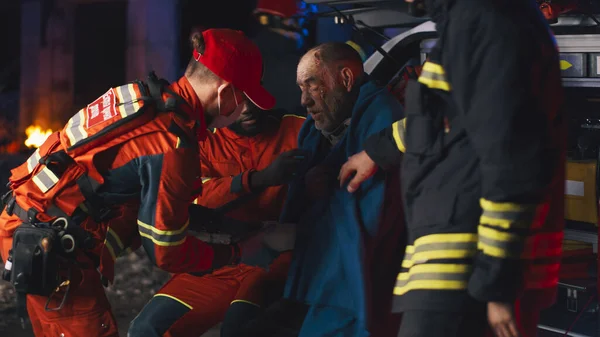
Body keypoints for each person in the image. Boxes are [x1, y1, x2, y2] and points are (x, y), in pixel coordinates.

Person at [0, 28, 281, 337]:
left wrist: (223, 225)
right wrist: (238, 253)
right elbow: (165, 250)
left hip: (26, 223)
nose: (244, 110)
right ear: (225, 93)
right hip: (51, 249)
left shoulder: (143, 96)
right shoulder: (172, 142)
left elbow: (140, 196)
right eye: (245, 99)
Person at [338, 1, 565, 337]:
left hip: (469, 277)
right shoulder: (476, 20)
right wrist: (376, 151)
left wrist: (498, 285)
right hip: (462, 274)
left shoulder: (488, 20)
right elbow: (452, 122)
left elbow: (511, 158)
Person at [237, 42, 405, 337]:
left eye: (312, 86)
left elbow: (376, 216)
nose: (303, 101)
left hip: (349, 291)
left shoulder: (382, 117)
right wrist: (303, 185)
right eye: (301, 89)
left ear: (347, 79)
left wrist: (324, 192)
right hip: (310, 282)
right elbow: (297, 206)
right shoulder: (313, 131)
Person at [128, 105, 306, 337]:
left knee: (240, 329)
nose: (246, 109)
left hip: (276, 259)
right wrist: (258, 179)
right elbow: (192, 200)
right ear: (221, 99)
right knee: (146, 330)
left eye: (251, 97)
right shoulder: (198, 140)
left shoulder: (298, 128)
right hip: (221, 259)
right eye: (237, 101)